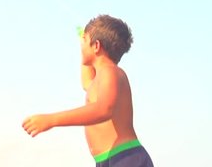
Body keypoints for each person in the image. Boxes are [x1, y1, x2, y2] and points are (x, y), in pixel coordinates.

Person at [22, 14, 153, 167]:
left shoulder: (111, 72)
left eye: (85, 41)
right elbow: (86, 83)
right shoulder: (100, 78)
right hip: (108, 160)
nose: (81, 45)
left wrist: (51, 120)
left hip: (125, 158)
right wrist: (83, 43)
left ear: (96, 46)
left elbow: (104, 109)